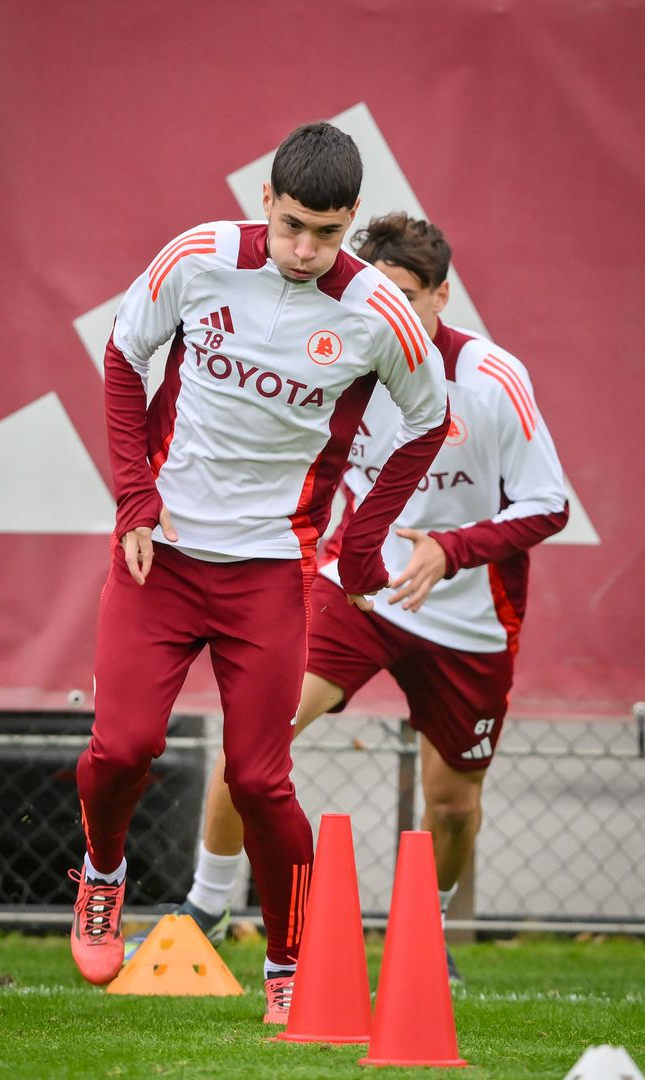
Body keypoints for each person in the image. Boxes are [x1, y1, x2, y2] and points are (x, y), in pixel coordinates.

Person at [70, 127, 450, 1022]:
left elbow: (427, 422)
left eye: (325, 232)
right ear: (266, 201)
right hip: (158, 557)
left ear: (350, 220)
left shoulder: (377, 313)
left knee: (258, 779)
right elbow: (124, 358)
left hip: (271, 572)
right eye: (290, 227)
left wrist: (359, 550)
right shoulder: (198, 258)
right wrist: (134, 500)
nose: (305, 250)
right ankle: (101, 873)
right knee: (121, 749)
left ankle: (292, 966)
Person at [178, 212, 570, 981]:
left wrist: (450, 549)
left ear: (443, 297)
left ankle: (423, 937)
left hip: (469, 620)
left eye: (406, 294)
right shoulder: (333, 361)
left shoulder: (491, 380)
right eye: (372, 291)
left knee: (454, 805)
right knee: (255, 737)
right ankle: (205, 912)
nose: (386, 309)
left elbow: (546, 503)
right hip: (354, 596)